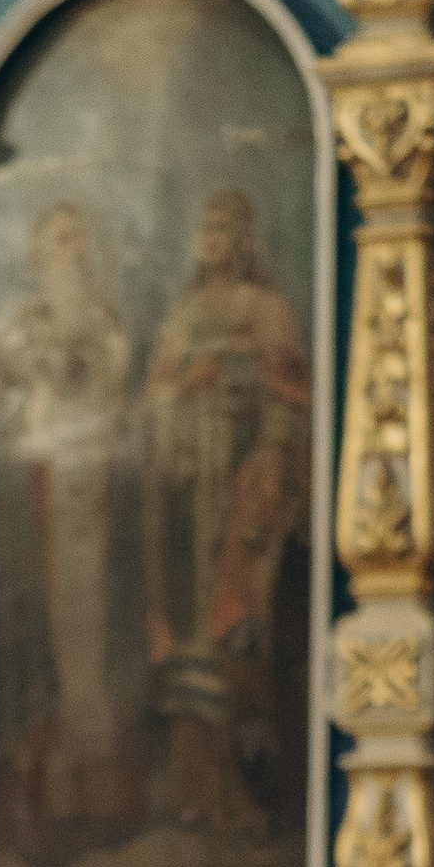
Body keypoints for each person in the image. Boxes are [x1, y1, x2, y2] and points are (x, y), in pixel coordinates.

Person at [139, 185, 312, 828]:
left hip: (244, 485)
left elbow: (291, 394)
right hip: (188, 490)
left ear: (243, 240)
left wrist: (268, 456)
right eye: (206, 228)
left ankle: (246, 783)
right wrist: (188, 382)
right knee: (189, 632)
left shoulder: (266, 309)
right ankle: (197, 783)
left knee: (242, 626)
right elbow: (156, 396)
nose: (213, 240)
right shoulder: (183, 312)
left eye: (224, 229)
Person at [0, 200, 136, 826]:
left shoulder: (102, 320)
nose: (67, 252)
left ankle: (94, 768)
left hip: (91, 484)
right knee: (30, 626)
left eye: (76, 240)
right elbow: (4, 382)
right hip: (27, 486)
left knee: (86, 623)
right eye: (56, 240)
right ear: (37, 254)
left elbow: (114, 377)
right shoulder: (18, 324)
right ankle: (36, 770)